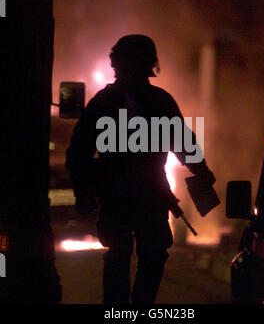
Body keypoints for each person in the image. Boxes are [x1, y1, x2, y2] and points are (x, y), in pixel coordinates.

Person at [66, 35, 216, 304]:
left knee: (119, 254)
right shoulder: (159, 100)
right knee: (153, 254)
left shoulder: (104, 102)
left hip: (116, 196)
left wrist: (84, 193)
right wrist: (201, 172)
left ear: (116, 63)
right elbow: (183, 142)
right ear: (149, 64)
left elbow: (79, 153)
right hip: (151, 194)